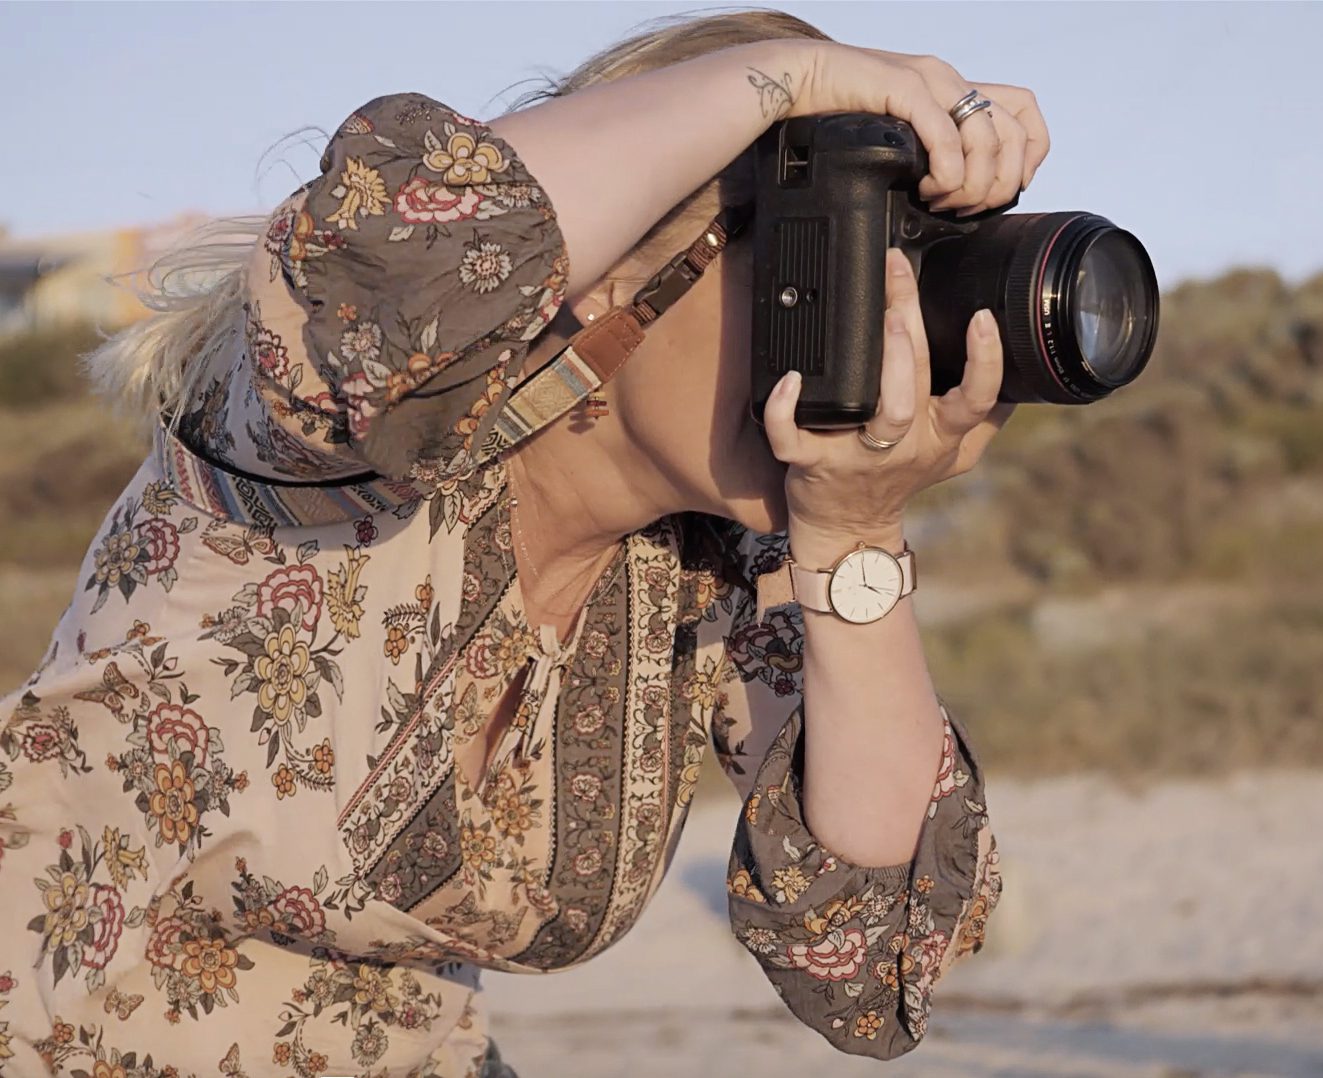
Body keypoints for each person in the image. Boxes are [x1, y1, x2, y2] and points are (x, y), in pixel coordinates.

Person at [0, 9, 1049, 1074]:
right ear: (601, 269)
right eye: (818, 269)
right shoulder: (338, 446)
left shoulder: (710, 579)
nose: (860, 333)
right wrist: (794, 75)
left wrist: (853, 535)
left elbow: (870, 958)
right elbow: (384, 250)